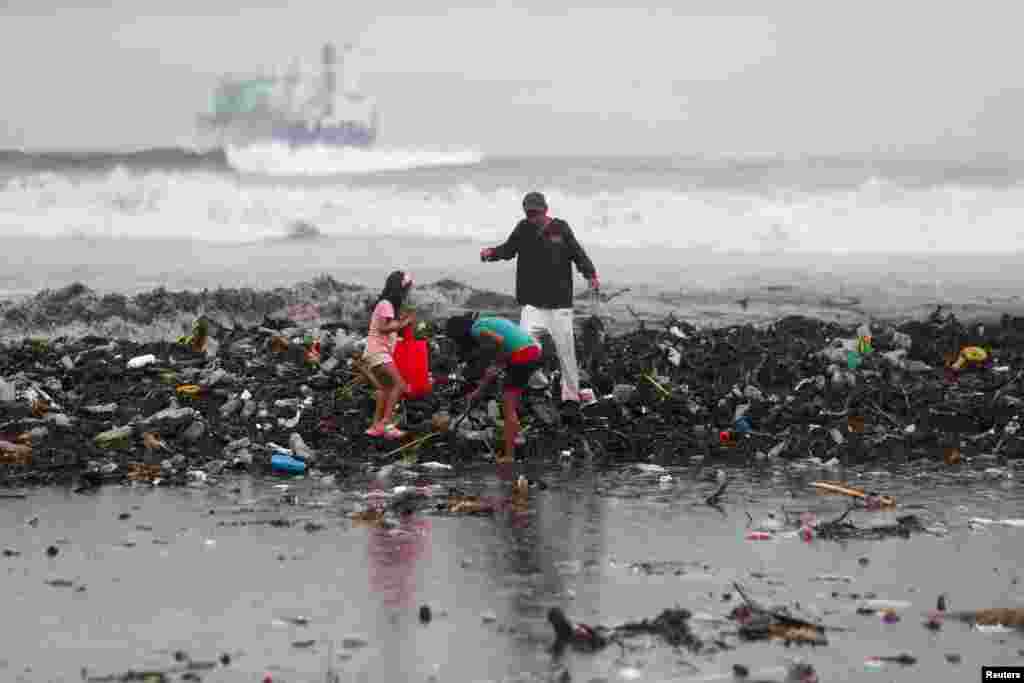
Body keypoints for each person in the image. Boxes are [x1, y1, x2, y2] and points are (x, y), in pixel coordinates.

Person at [480, 191, 598, 406]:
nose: (532, 217)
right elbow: (508, 249)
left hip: (559, 306)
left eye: (535, 212)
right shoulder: (523, 228)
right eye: (528, 213)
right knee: (522, 348)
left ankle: (570, 397)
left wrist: (590, 274)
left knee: (566, 353)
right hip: (533, 306)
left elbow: (578, 254)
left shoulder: (561, 228)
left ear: (545, 210)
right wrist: (491, 253)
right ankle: (534, 387)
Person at [445, 312, 542, 462]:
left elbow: (500, 340)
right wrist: (478, 391)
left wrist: (499, 361)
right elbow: (493, 367)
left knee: (507, 406)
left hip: (521, 354)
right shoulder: (483, 322)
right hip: (532, 350)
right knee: (509, 402)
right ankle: (519, 443)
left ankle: (509, 456)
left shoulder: (477, 331)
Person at [362, 270, 415, 439]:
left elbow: (391, 329)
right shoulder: (386, 304)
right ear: (400, 288)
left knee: (385, 389)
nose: (408, 292)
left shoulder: (388, 305)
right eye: (407, 289)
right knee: (399, 385)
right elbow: (383, 328)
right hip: (378, 352)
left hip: (373, 352)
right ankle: (386, 423)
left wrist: (403, 322)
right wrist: (404, 323)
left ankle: (375, 426)